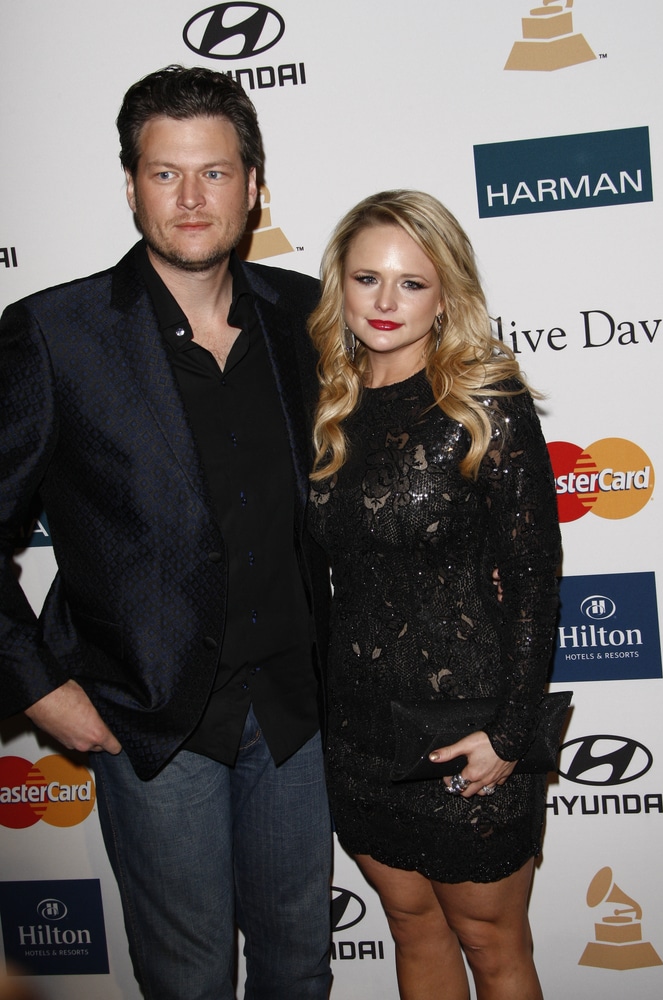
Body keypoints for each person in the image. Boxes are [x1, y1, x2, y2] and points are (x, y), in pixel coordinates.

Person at [0, 66, 332, 1000]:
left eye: (215, 173)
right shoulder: (54, 334)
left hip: (296, 713)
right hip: (151, 722)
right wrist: (41, 689)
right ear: (131, 185)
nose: (192, 199)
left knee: (299, 967)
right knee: (187, 979)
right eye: (165, 173)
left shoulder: (305, 314)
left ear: (254, 185)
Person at [307, 190, 561, 1000]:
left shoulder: (483, 403)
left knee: (491, 943)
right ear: (339, 286)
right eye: (366, 279)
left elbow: (534, 581)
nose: (385, 301)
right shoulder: (325, 404)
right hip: (357, 729)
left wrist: (510, 733)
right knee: (409, 925)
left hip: (468, 727)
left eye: (411, 282)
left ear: (445, 293)